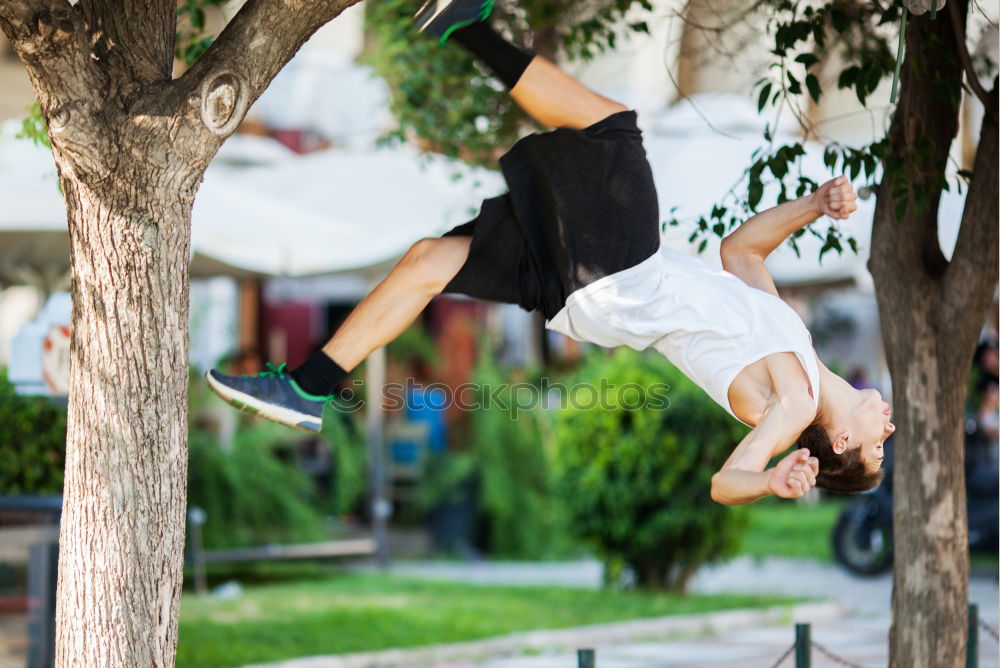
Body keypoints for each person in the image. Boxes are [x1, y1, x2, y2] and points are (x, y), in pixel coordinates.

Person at [207, 0, 895, 504]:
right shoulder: (795, 354)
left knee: (611, 126)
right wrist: (811, 205)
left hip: (625, 274)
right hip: (599, 292)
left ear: (838, 444)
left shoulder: (795, 404)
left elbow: (724, 482)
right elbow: (741, 253)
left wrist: (769, 479)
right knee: (426, 260)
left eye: (876, 445)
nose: (887, 426)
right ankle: (305, 387)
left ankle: (464, 24)